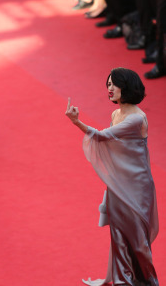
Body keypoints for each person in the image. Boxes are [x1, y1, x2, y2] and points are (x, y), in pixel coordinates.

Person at [65, 67, 159, 286]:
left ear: (126, 86)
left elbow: (102, 137)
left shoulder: (136, 118)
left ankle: (147, 282)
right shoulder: (116, 114)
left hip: (137, 187)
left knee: (138, 241)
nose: (109, 88)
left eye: (113, 84)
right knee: (118, 235)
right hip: (118, 183)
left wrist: (76, 122)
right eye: (107, 84)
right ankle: (123, 281)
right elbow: (112, 148)